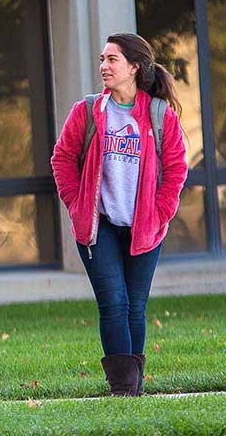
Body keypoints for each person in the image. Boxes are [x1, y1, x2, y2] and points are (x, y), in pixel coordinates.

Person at [49, 32, 188, 397]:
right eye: (102, 59)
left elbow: (175, 170)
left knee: (135, 307)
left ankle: (133, 386)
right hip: (100, 226)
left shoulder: (160, 116)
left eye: (112, 59)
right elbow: (61, 158)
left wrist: (159, 214)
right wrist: (76, 202)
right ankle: (123, 389)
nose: (103, 67)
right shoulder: (89, 112)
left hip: (145, 226)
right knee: (114, 303)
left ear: (134, 67)